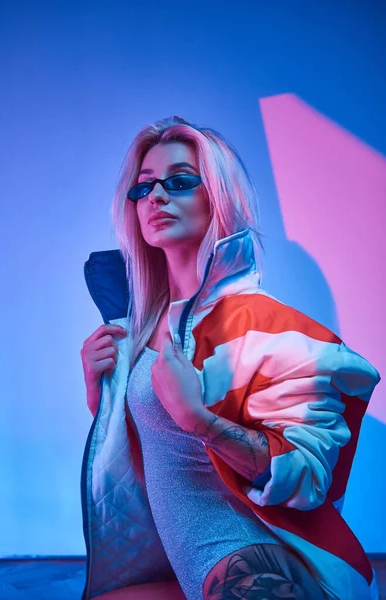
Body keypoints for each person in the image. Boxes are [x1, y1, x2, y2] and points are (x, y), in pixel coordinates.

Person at [80, 116, 381, 600]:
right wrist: (104, 400)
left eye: (179, 182)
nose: (157, 197)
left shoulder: (264, 327)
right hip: (186, 573)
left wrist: (200, 419)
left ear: (217, 197)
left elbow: (307, 477)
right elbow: (161, 451)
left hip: (255, 565)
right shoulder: (138, 328)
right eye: (144, 188)